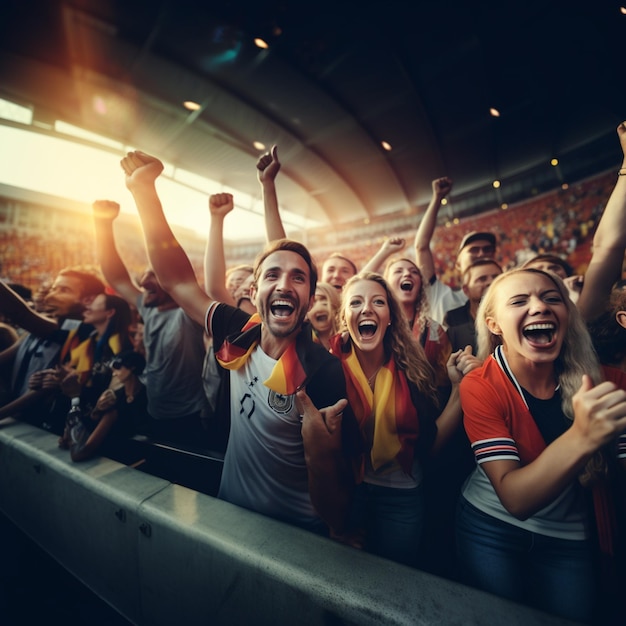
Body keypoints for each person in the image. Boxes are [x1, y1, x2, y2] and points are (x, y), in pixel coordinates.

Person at [118, 149, 356, 536]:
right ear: (255, 289)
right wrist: (145, 193)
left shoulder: (323, 371)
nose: (284, 284)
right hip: (229, 518)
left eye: (299, 278)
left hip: (298, 536)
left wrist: (321, 454)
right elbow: (177, 280)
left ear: (310, 299)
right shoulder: (239, 328)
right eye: (272, 275)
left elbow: (339, 509)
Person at [456, 268, 626, 623]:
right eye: (519, 301)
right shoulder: (480, 385)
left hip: (569, 537)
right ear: (494, 324)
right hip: (490, 529)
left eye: (552, 298)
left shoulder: (606, 380)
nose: (540, 307)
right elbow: (516, 499)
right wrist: (583, 436)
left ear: (567, 314)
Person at [330, 272, 479, 566]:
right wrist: (332, 521)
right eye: (356, 302)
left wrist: (461, 389)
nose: (367, 309)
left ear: (390, 318)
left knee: (397, 579)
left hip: (402, 498)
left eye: (378, 302)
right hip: (348, 494)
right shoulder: (327, 368)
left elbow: (431, 445)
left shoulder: (414, 371)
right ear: (345, 317)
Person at [92, 199, 209, 447]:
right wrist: (102, 224)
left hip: (190, 417)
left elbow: (176, 272)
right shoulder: (149, 309)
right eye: (143, 276)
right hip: (154, 411)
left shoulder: (189, 316)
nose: (143, 282)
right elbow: (116, 276)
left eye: (153, 277)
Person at [0, 269, 105, 428]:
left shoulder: (80, 332)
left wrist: (4, 413)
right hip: (15, 420)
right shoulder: (38, 329)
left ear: (88, 300)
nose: (52, 295)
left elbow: (20, 314)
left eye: (64, 290)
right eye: (54, 288)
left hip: (36, 426)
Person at [256, 145, 358, 292]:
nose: (336, 276)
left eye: (345, 271)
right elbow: (278, 248)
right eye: (330, 270)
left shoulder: (359, 312)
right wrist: (267, 184)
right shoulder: (306, 307)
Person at [414, 177, 499, 325]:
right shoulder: (440, 295)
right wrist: (437, 199)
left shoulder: (507, 294)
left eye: (487, 249)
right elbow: (421, 247)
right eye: (473, 250)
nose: (481, 254)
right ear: (458, 264)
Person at [63, 349, 148, 463]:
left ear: (132, 367)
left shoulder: (145, 395)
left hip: (136, 454)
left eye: (118, 367)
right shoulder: (115, 397)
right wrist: (97, 411)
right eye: (113, 369)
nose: (114, 373)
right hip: (115, 452)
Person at [445, 258, 503, 353]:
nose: (491, 282)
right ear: (466, 290)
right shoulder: (453, 319)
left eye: (496, 277)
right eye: (482, 279)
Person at [306, 281, 340, 350]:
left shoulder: (347, 341)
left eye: (324, 301)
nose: (319, 308)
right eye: (313, 303)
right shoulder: (302, 344)